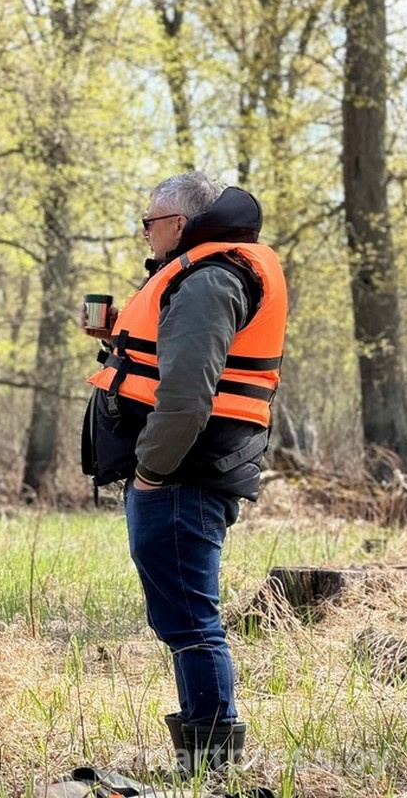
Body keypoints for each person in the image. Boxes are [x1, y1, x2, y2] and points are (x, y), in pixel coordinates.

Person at [81, 172, 287, 773]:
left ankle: (211, 759)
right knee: (183, 614)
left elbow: (188, 395)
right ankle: (204, 751)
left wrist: (151, 471)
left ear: (180, 223)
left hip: (182, 473)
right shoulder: (200, 276)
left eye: (150, 221)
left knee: (191, 619)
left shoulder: (210, 278)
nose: (146, 233)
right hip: (183, 471)